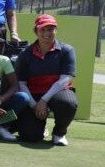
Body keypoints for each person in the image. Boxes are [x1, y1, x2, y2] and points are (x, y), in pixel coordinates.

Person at [15, 14, 78, 146]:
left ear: (56, 30)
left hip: (57, 93)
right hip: (33, 95)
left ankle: (59, 134)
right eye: (42, 30)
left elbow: (65, 79)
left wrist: (44, 100)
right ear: (36, 31)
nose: (46, 33)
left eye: (50, 29)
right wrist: (34, 105)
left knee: (68, 103)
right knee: (29, 136)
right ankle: (41, 128)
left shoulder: (67, 50)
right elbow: (22, 83)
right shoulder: (25, 53)